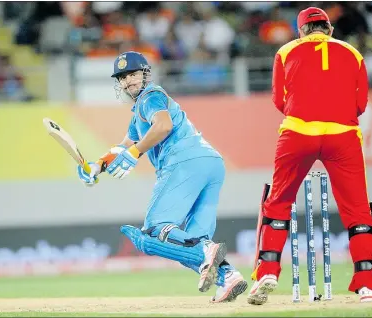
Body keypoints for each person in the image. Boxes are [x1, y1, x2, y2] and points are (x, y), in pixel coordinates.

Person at [77, 51, 247, 302]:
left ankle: (208, 252)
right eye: (122, 78)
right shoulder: (139, 113)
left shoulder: (151, 96)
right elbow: (122, 147)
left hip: (184, 161)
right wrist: (97, 166)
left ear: (145, 74)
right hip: (210, 163)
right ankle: (228, 277)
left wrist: (136, 153)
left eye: (133, 74)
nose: (128, 82)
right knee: (189, 243)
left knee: (156, 229)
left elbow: (163, 126)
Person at [248, 7, 372, 304]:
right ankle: (367, 286)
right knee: (357, 210)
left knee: (279, 201)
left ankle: (268, 271)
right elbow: (361, 103)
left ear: (301, 31)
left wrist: (305, 114)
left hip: (297, 133)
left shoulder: (285, 51)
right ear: (329, 29)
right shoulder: (353, 53)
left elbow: (278, 99)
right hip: (343, 135)